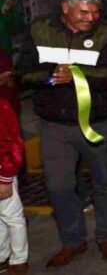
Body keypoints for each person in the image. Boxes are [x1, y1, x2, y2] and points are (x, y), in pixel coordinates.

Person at [16, 0, 107, 267]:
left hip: (97, 123)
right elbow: (23, 73)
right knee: (60, 187)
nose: (91, 18)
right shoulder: (40, 29)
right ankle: (72, 241)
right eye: (84, 12)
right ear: (65, 8)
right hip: (55, 126)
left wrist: (78, 74)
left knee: (104, 183)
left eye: (95, 12)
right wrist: (50, 74)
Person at [0, 97, 27, 275]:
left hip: (2, 169)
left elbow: (12, 142)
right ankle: (2, 256)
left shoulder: (1, 105)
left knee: (12, 216)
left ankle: (19, 259)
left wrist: (6, 178)